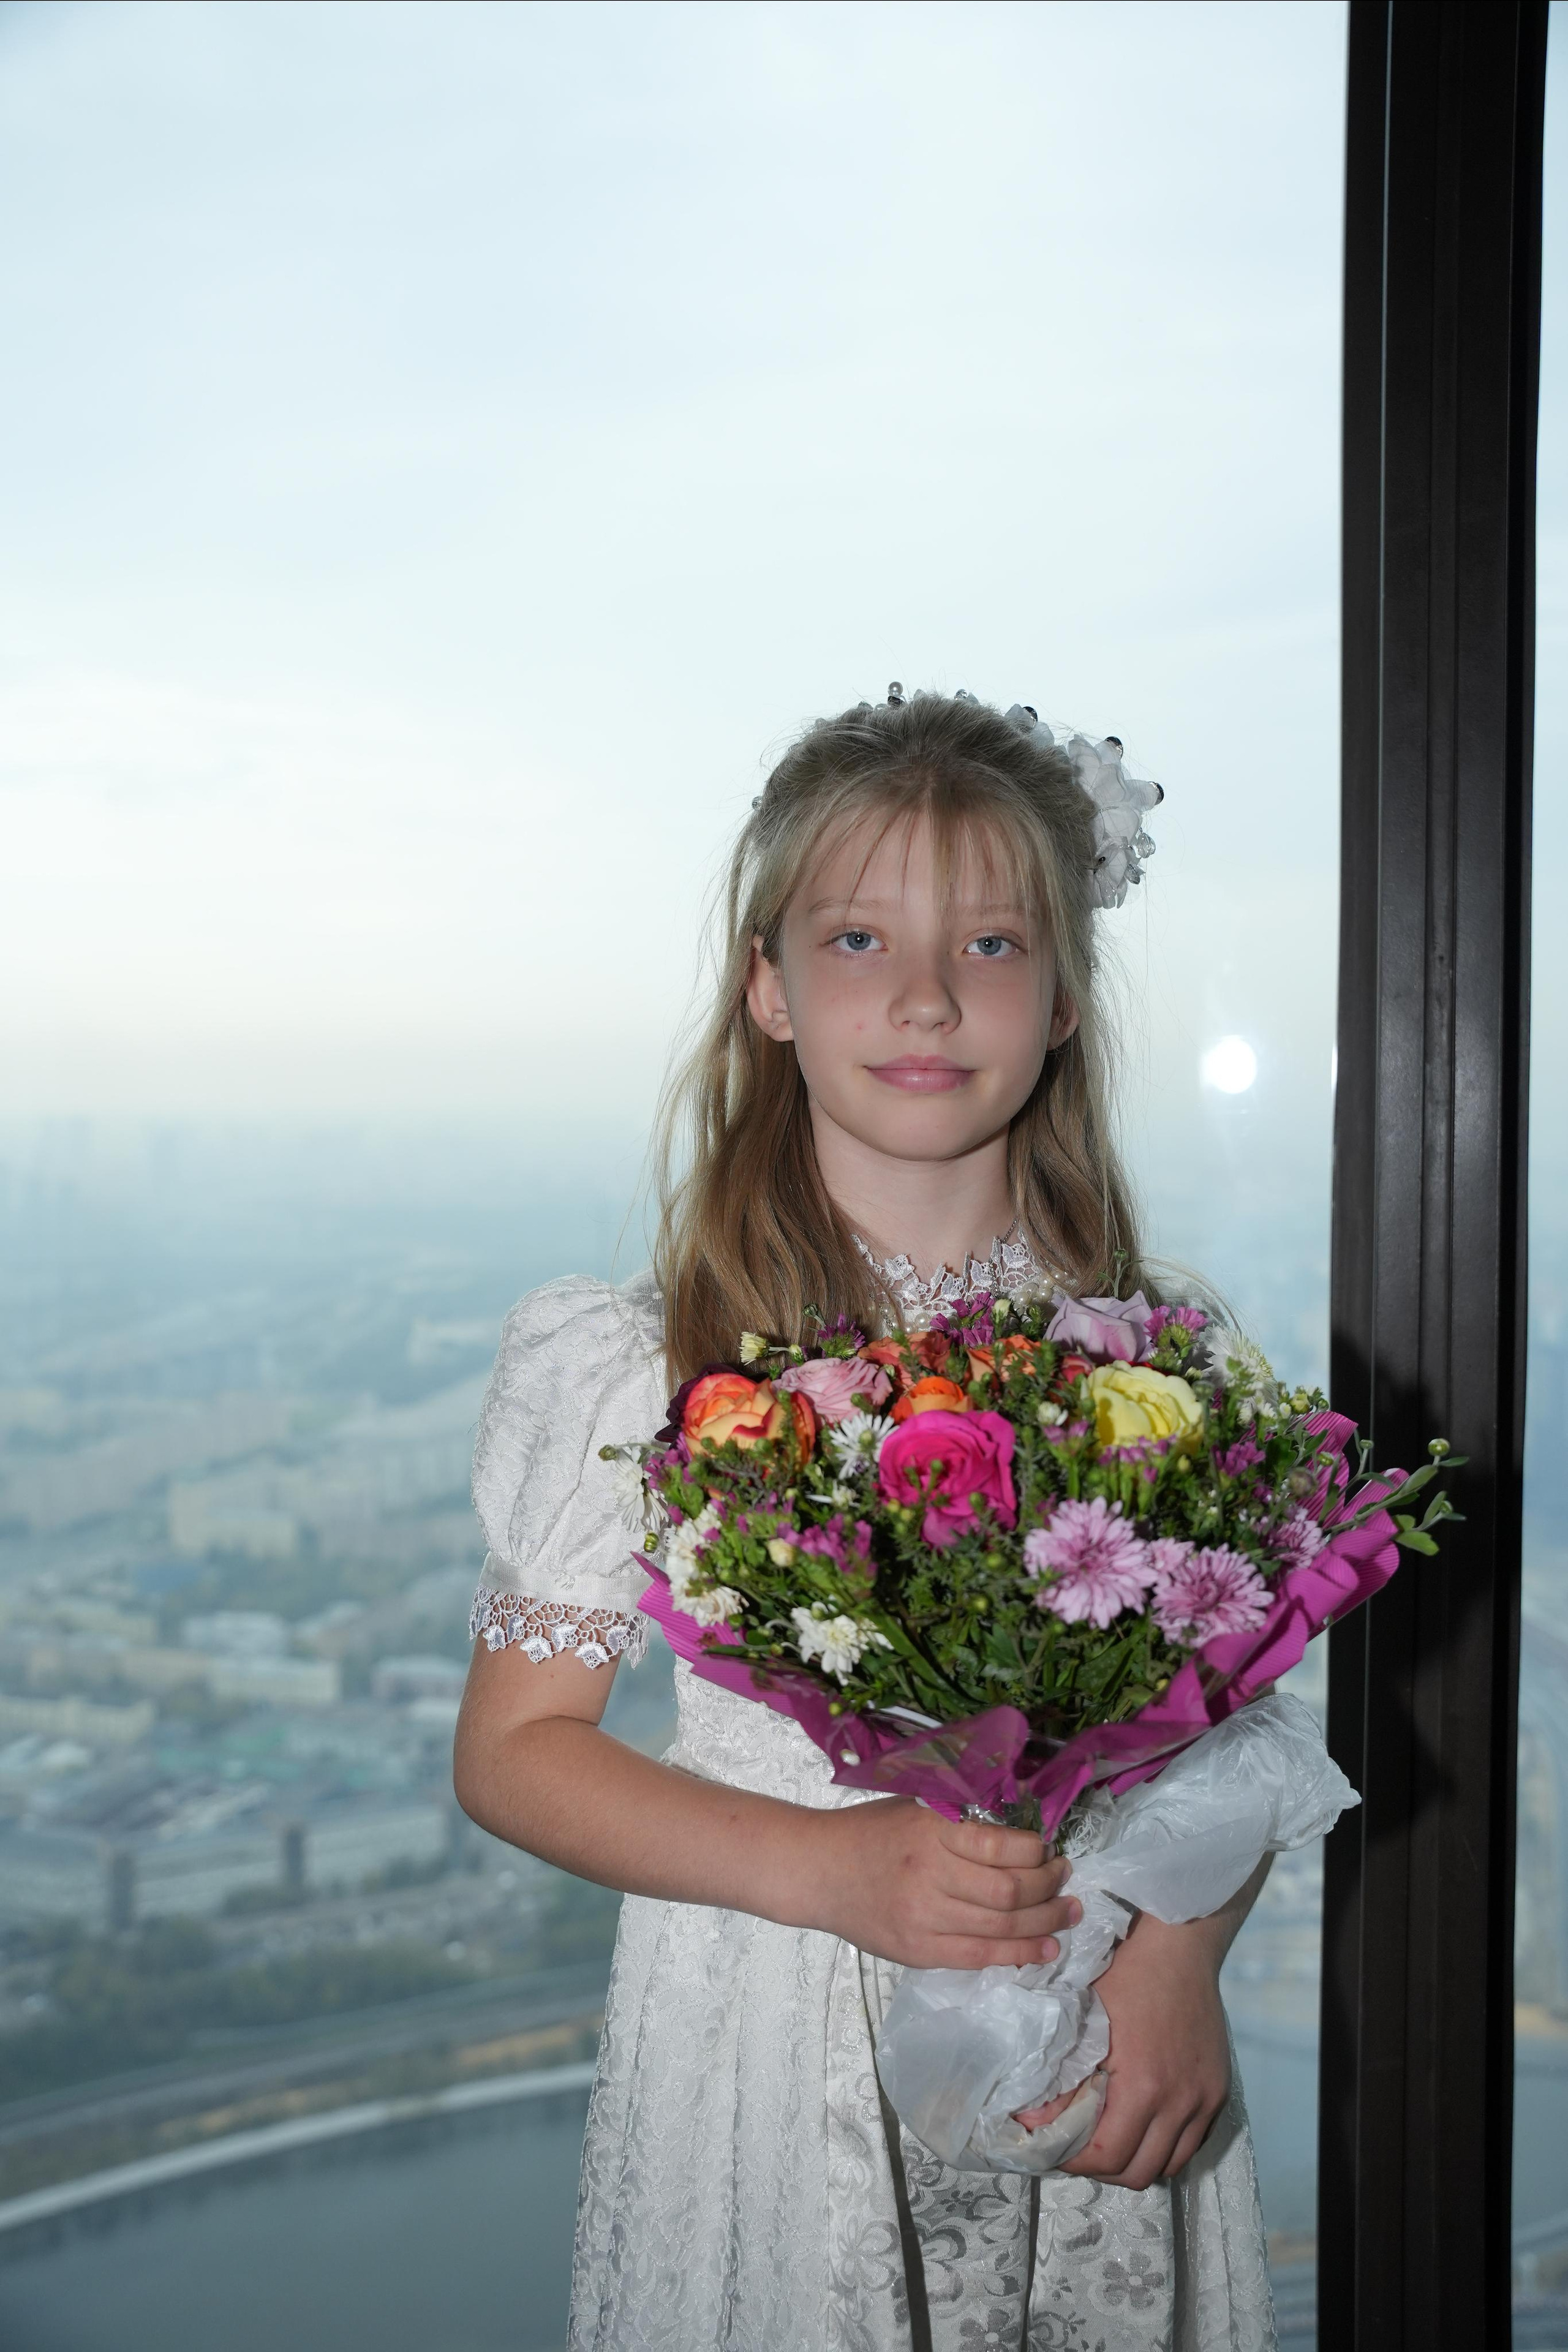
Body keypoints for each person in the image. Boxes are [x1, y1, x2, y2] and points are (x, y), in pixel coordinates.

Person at [454, 688, 1280, 2351]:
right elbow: (516, 1754)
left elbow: (1230, 1729)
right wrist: (830, 1869)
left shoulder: (1150, 1360)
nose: (921, 993)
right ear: (765, 986)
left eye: (988, 945)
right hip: (779, 2024)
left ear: (1060, 1001)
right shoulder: (643, 1365)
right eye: (853, 938)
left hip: (1105, 2033)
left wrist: (1182, 1958)